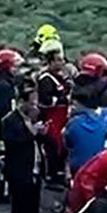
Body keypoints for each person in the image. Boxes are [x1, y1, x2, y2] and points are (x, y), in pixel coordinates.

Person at [1, 88, 42, 213]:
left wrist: (40, 132)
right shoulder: (10, 121)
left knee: (33, 209)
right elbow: (12, 143)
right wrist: (31, 133)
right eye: (32, 103)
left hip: (36, 169)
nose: (35, 106)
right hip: (20, 172)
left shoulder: (34, 118)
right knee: (20, 210)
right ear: (23, 102)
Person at [36, 39, 71, 187]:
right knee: (52, 147)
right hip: (51, 118)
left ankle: (58, 172)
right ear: (51, 62)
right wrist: (63, 98)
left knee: (61, 146)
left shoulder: (60, 77)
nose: (62, 63)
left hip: (61, 118)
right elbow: (46, 100)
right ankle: (51, 176)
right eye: (58, 60)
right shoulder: (46, 79)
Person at [63, 86, 107, 176]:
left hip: (78, 168)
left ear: (76, 104)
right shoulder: (103, 121)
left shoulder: (74, 123)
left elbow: (66, 143)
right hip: (99, 166)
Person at [0, 49, 23, 139]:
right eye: (14, 66)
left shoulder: (4, 81)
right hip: (7, 129)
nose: (17, 70)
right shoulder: (3, 86)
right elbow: (4, 110)